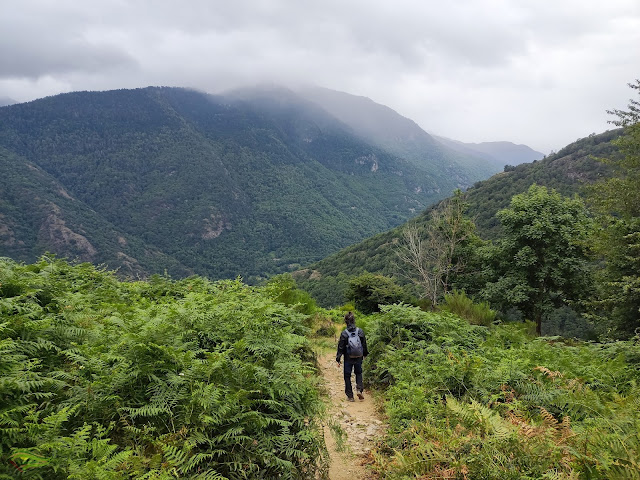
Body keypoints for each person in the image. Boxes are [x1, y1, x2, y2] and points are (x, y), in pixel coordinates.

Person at [336, 311, 368, 402]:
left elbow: (340, 347)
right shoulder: (360, 331)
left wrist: (338, 359)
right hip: (358, 356)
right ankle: (359, 389)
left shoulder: (344, 333)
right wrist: (365, 354)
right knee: (358, 373)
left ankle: (350, 396)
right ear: (354, 321)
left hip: (348, 357)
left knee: (347, 375)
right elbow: (364, 345)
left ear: (346, 321)